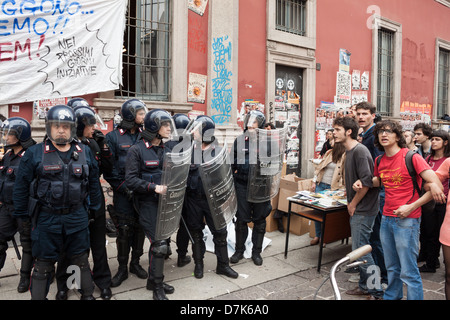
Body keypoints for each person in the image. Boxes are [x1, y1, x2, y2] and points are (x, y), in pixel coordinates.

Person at [12, 105, 103, 300]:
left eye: (65, 126)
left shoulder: (85, 152)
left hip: (77, 217)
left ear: (72, 128)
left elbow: (94, 185)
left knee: (81, 261)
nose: (61, 130)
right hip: (46, 218)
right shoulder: (35, 153)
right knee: (43, 264)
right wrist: (22, 218)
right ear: (49, 127)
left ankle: (87, 295)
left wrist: (95, 211)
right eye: (56, 126)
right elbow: (20, 188)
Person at [356, 119, 445, 300]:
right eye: (380, 131)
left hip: (408, 219)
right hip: (387, 218)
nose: (384, 134)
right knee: (391, 267)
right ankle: (392, 296)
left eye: (388, 131)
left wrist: (411, 207)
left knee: (409, 270)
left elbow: (437, 185)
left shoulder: (411, 157)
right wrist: (363, 182)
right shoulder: (379, 160)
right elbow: (380, 180)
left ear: (397, 136)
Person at [55, 104, 113, 300]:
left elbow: (102, 171)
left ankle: (103, 281)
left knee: (98, 246)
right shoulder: (60, 145)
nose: (93, 128)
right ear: (79, 126)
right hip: (73, 205)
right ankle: (66, 283)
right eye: (89, 125)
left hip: (94, 202)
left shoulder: (91, 144)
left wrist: (104, 148)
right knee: (69, 248)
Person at [125, 109, 177, 300]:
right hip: (147, 203)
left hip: (164, 204)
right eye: (165, 125)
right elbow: (130, 180)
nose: (169, 128)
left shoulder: (167, 150)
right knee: (159, 245)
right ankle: (157, 287)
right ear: (154, 127)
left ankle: (153, 281)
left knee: (162, 242)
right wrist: (153, 187)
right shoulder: (136, 150)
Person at [332, 116, 383, 300]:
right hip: (359, 207)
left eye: (337, 129)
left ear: (348, 131)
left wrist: (353, 204)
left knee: (361, 251)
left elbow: (367, 182)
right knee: (361, 250)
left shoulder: (360, 151)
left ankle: (376, 290)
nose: (333, 133)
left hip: (364, 209)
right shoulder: (350, 151)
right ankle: (364, 286)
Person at [184, 115, 238, 279]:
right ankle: (198, 265)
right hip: (193, 199)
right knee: (196, 233)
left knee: (220, 233)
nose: (193, 133)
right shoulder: (188, 151)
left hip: (213, 200)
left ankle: (223, 265)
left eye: (197, 130)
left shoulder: (219, 152)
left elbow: (226, 177)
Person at [105, 99, 148, 287]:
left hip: (142, 192)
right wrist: (124, 188)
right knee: (123, 230)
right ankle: (122, 268)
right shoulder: (113, 137)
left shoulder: (145, 135)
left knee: (140, 229)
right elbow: (109, 169)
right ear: (130, 115)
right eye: (140, 113)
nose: (144, 117)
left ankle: (135, 263)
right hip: (123, 193)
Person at [230, 110, 273, 266]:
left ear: (260, 125)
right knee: (241, 220)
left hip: (261, 186)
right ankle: (239, 250)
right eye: (248, 121)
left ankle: (256, 252)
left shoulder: (268, 143)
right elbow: (231, 163)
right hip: (242, 184)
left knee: (260, 220)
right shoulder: (240, 140)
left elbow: (273, 165)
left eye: (254, 122)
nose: (250, 124)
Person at [0, 117, 36, 293]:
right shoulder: (7, 155)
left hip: (24, 210)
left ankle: (24, 277)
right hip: (6, 208)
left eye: (10, 134)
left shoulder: (30, 156)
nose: (5, 137)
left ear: (21, 136)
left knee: (27, 244)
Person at [355, 102, 387, 288]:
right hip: (373, 193)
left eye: (365, 113)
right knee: (372, 239)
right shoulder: (366, 135)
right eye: (358, 113)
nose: (361, 117)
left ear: (372, 115)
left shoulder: (374, 138)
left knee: (373, 240)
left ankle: (379, 279)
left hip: (376, 195)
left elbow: (378, 170)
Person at [418, 130, 450, 273]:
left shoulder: (447, 160)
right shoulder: (428, 158)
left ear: (445, 142)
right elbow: (424, 179)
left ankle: (433, 261)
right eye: (432, 139)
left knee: (436, 233)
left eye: (437, 139)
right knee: (426, 230)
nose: (434, 142)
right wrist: (430, 185)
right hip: (427, 199)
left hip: (443, 201)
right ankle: (426, 256)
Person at [166, 113, 192, 268]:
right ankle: (181, 255)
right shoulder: (191, 144)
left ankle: (165, 248)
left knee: (168, 220)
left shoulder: (167, 144)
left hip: (171, 190)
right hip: (187, 190)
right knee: (185, 224)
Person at [309, 141, 346, 245]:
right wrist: (314, 181)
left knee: (328, 215)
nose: (330, 142)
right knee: (317, 211)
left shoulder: (345, 155)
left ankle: (325, 238)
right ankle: (317, 235)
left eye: (332, 139)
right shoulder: (329, 152)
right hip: (321, 184)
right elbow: (319, 168)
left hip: (332, 188)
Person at [433, 154, 450, 299]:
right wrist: (433, 185)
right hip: (449, 227)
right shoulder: (448, 162)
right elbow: (429, 180)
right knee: (449, 275)